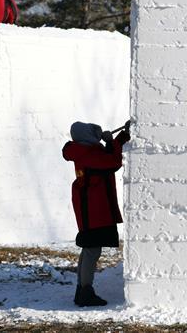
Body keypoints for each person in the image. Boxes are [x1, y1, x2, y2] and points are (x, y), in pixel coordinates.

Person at [62, 120, 131, 307]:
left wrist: (122, 136)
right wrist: (111, 142)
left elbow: (108, 155)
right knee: (92, 249)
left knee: (89, 249)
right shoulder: (86, 153)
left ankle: (82, 290)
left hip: (92, 207)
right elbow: (112, 162)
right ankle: (85, 291)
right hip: (93, 208)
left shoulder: (83, 151)